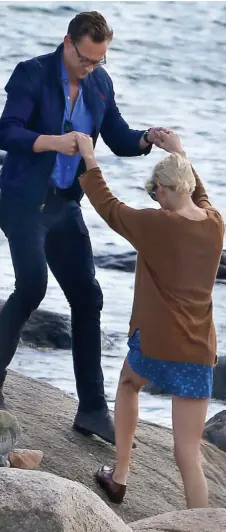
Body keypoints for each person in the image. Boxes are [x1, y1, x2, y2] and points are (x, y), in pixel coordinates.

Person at [0, 10, 166, 443]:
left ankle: (92, 408)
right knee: (33, 286)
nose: (92, 68)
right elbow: (7, 132)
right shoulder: (32, 74)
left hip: (65, 206)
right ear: (68, 42)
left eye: (100, 61)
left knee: (88, 298)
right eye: (87, 59)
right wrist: (54, 142)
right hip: (21, 202)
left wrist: (149, 138)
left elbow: (118, 136)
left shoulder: (99, 84)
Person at [74, 129, 224, 508]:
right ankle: (201, 521)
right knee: (187, 452)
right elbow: (200, 195)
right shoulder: (214, 223)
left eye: (154, 191)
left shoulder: (156, 224)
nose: (154, 197)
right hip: (198, 349)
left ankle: (120, 475)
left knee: (128, 384)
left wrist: (90, 158)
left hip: (156, 341)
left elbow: (108, 206)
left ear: (164, 189)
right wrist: (179, 152)